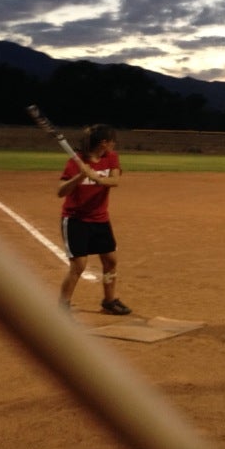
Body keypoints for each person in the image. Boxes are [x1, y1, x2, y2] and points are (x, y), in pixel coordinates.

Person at [58, 125, 132, 315]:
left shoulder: (111, 157)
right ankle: (62, 305)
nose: (114, 145)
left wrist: (94, 177)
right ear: (103, 143)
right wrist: (80, 176)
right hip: (76, 220)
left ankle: (109, 301)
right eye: (111, 141)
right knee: (79, 265)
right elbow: (61, 192)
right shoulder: (75, 163)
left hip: (100, 219)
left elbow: (115, 181)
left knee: (110, 260)